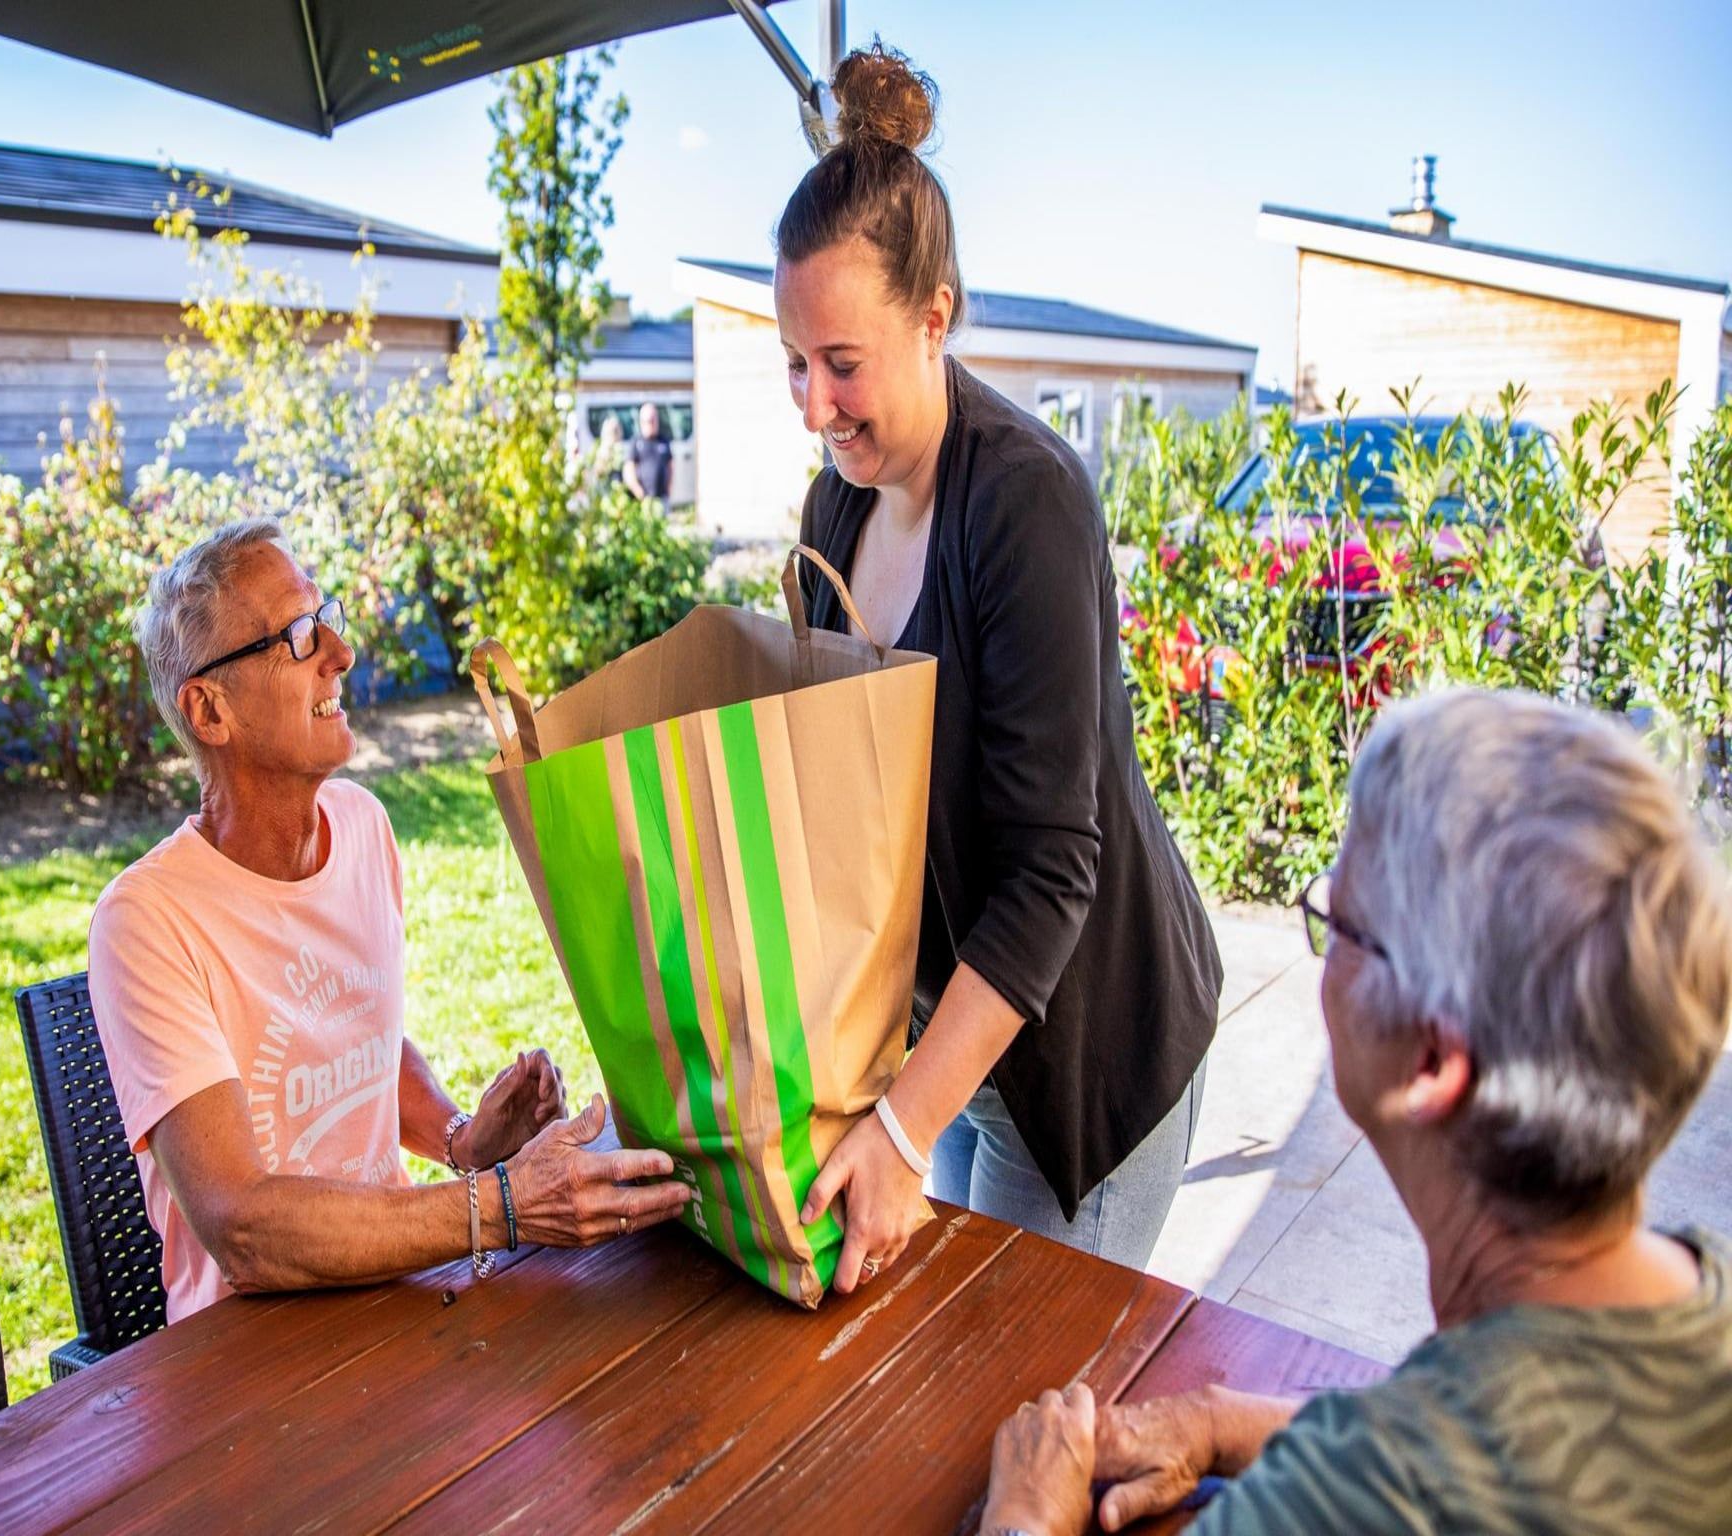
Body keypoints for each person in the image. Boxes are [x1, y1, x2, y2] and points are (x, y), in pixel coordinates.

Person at [982, 688, 1732, 1536]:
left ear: (1432, 1065)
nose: (1327, 932)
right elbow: (1489, 1439)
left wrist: (1027, 1513)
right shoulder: (1702, 1290)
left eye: (1342, 916)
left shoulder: (1346, 1505)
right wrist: (1222, 1418)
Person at [779, 44, 1221, 1289]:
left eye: (843, 365)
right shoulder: (837, 510)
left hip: (1086, 1062)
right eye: (795, 367)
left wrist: (901, 1131)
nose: (815, 406)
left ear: (935, 316)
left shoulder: (1023, 501)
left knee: (1005, 1407)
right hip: (946, 1054)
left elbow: (1049, 868)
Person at [89, 518, 690, 1322]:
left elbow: (349, 1029)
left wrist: (463, 1140)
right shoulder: (147, 921)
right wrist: (502, 1202)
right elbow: (242, 1227)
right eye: (299, 636)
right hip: (243, 1360)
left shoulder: (363, 827)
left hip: (392, 1299)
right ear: (209, 711)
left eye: (328, 617)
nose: (341, 653)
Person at [622, 401, 673, 502]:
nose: (652, 423)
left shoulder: (663, 441)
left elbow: (670, 466)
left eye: (654, 420)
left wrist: (669, 489)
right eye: (649, 420)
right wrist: (638, 491)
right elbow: (628, 469)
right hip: (642, 499)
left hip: (661, 497)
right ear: (642, 422)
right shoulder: (636, 443)